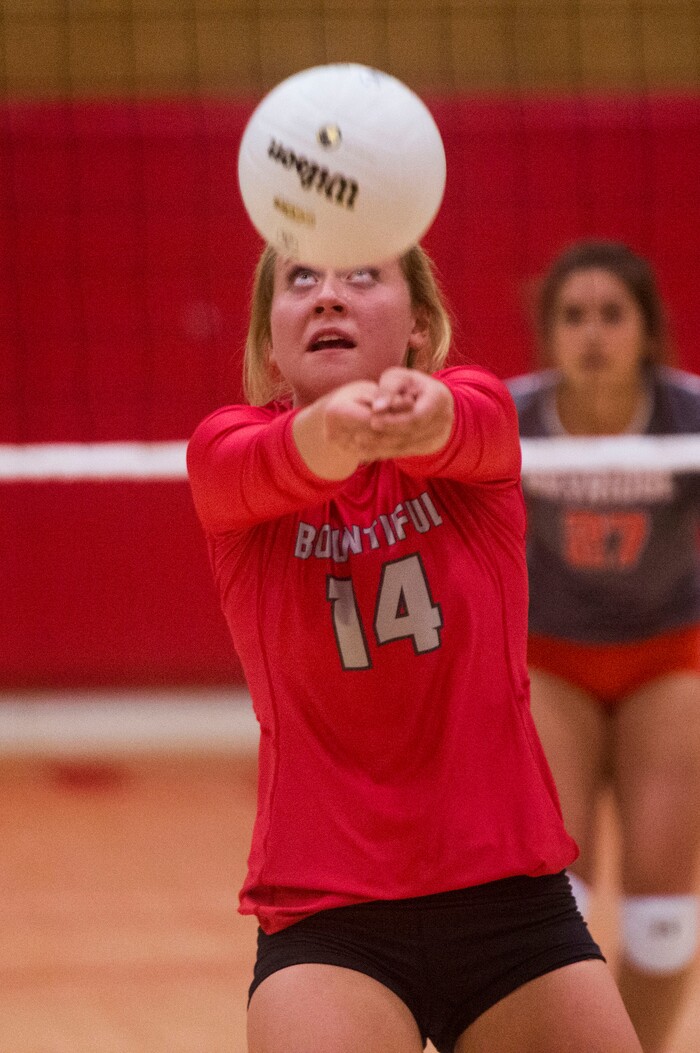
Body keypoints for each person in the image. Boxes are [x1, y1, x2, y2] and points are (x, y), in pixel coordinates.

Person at [187, 242, 641, 1053]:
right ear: (267, 344)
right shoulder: (224, 451)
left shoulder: (474, 414)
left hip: (513, 905)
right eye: (300, 280)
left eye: (361, 274)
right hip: (328, 921)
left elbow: (471, 424)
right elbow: (297, 452)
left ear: (422, 329)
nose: (327, 295)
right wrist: (342, 423)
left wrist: (425, 417)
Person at [508, 238, 700, 1053]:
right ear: (548, 333)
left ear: (648, 332)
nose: (592, 333)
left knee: (662, 922)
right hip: (553, 661)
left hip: (668, 657)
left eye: (612, 315)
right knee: (563, 908)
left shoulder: (688, 416)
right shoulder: (508, 416)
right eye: (573, 315)